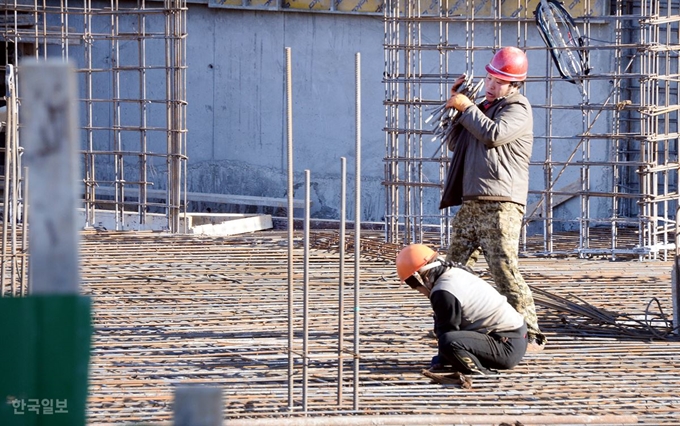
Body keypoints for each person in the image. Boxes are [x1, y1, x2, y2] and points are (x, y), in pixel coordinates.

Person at [438, 46, 547, 350]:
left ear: (514, 84)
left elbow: (493, 135)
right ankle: (453, 328)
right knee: (454, 269)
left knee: (504, 270)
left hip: (501, 204)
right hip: (472, 200)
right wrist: (456, 109)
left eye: (498, 81)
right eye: (488, 78)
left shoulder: (518, 108)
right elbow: (453, 143)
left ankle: (532, 334)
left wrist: (468, 108)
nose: (490, 85)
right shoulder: (482, 109)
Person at [396, 243, 528, 375]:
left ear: (422, 278)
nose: (421, 293)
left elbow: (448, 333)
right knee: (447, 339)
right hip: (514, 338)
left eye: (416, 288)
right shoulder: (455, 273)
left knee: (448, 341)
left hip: (506, 346)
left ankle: (481, 373)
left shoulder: (443, 291)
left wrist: (444, 357)